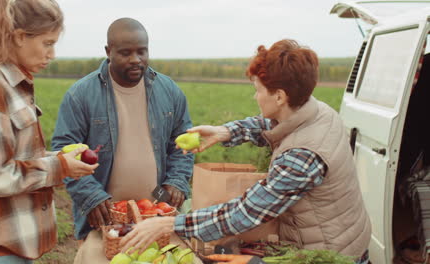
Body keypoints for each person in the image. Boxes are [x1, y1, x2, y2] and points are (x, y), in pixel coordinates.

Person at [120, 39, 372, 264]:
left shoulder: (303, 157)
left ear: (280, 97)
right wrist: (224, 132)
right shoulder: (317, 112)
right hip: (340, 237)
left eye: (258, 89)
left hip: (332, 255)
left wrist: (170, 223)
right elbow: (272, 126)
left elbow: (245, 212)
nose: (255, 96)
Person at [0, 0, 99, 263]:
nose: (53, 54)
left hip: (11, 240)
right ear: (20, 37)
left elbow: (19, 155)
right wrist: (59, 167)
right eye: (48, 43)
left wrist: (62, 159)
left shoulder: (12, 84)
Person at [51, 18, 194, 263]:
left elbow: (183, 143)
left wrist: (177, 181)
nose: (136, 59)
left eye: (142, 51)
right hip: (106, 221)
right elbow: (64, 153)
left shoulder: (168, 90)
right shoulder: (81, 95)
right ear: (108, 52)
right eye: (126, 53)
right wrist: (92, 197)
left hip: (156, 215)